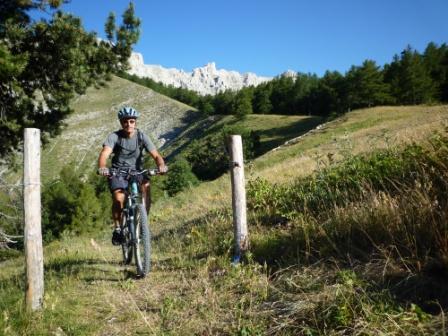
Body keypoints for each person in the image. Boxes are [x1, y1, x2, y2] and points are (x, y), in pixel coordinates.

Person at [97, 106, 167, 245]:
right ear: (121, 123)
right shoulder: (114, 137)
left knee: (146, 186)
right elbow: (104, 154)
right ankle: (118, 229)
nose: (128, 124)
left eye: (131, 121)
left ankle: (143, 224)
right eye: (125, 122)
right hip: (118, 171)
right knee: (118, 198)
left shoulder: (142, 136)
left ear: (135, 122)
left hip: (137, 171)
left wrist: (161, 165)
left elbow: (156, 155)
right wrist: (102, 167)